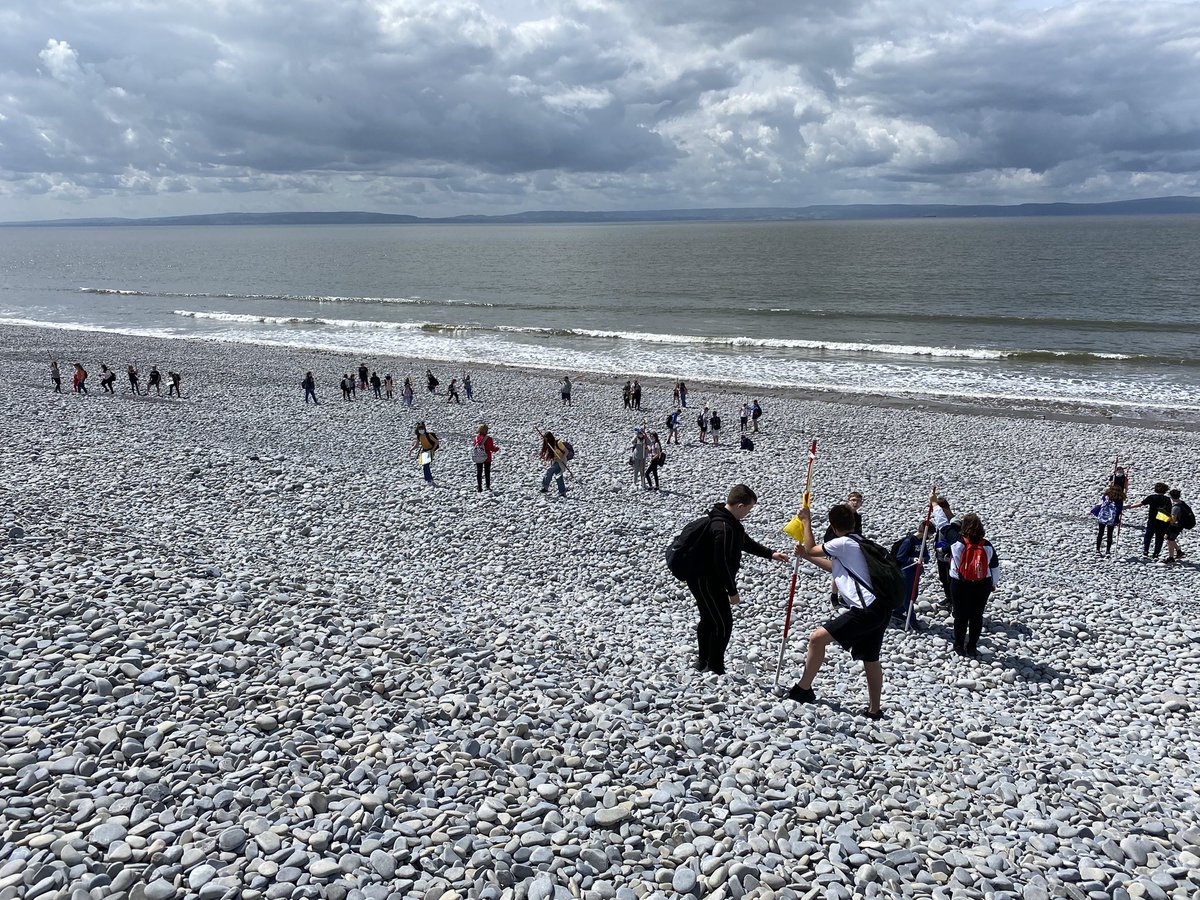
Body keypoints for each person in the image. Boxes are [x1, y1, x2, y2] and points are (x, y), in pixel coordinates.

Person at [788, 504, 889, 718]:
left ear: (833, 527)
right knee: (870, 658)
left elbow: (812, 546)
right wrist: (806, 556)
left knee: (817, 639)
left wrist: (806, 520)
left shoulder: (842, 543)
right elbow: (836, 569)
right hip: (881, 607)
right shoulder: (860, 543)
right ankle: (874, 710)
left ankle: (803, 689)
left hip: (865, 609)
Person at [687, 484, 790, 675]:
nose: (749, 513)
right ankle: (715, 667)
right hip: (708, 582)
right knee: (723, 624)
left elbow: (745, 543)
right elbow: (721, 563)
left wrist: (771, 554)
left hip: (700, 579)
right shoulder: (723, 527)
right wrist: (732, 591)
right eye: (749, 508)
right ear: (740, 506)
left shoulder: (728, 521)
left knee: (709, 620)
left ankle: (703, 662)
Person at [948, 513, 1001, 657]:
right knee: (976, 616)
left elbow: (943, 526)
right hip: (982, 584)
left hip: (960, 583)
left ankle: (959, 645)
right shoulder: (987, 545)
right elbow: (995, 567)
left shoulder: (957, 541)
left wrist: (934, 505)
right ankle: (972, 646)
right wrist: (993, 584)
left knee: (960, 616)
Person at [824, 491, 864, 609]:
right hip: (837, 545)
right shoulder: (842, 514)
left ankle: (843, 595)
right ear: (848, 501)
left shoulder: (857, 517)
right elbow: (831, 531)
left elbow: (857, 533)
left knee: (847, 571)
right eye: (853, 500)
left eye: (858, 501)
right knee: (839, 570)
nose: (855, 503)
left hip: (849, 546)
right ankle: (834, 596)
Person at [891, 522, 931, 630]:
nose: (930, 537)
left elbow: (927, 556)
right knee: (909, 597)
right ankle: (912, 621)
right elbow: (900, 557)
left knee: (914, 594)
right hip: (906, 572)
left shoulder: (922, 542)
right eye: (930, 534)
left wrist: (923, 559)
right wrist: (912, 560)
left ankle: (898, 611)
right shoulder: (908, 541)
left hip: (916, 572)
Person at [1126, 482, 1172, 559]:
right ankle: (1156, 554)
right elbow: (1169, 510)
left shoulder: (1151, 497)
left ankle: (1146, 552)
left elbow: (1141, 504)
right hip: (1163, 520)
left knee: (1148, 536)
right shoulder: (1167, 499)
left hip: (1152, 519)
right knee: (1159, 538)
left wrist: (1129, 507)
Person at [931, 496, 957, 605]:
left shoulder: (955, 523)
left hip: (950, 558)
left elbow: (955, 543)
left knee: (951, 580)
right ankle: (949, 598)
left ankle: (955, 602)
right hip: (941, 556)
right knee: (943, 579)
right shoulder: (943, 522)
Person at [1091, 485, 1124, 556]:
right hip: (1112, 519)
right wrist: (1118, 520)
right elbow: (1119, 510)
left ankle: (1097, 550)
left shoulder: (1106, 497)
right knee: (1109, 534)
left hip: (1102, 517)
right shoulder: (1119, 500)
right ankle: (1108, 551)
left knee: (1100, 533)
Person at [539, 431, 569, 497]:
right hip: (555, 461)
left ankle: (545, 487)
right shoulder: (550, 445)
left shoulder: (558, 443)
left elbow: (566, 451)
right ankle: (562, 492)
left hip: (561, 461)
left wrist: (562, 457)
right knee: (558, 475)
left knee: (550, 470)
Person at [471, 424, 499, 492]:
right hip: (487, 457)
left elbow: (474, 445)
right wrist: (496, 449)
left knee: (479, 472)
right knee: (487, 472)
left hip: (478, 456)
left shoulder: (476, 438)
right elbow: (491, 448)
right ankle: (487, 486)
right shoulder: (489, 439)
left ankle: (479, 487)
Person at [1165, 489, 1190, 564]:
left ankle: (1171, 558)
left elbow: (1173, 520)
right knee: (1169, 538)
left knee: (1170, 540)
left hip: (1176, 526)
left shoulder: (1175, 507)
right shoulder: (1182, 503)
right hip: (1181, 524)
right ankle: (1179, 551)